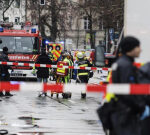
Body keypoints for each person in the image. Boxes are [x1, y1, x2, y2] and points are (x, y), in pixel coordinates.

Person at [108, 36, 145, 135]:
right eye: (138, 47)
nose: (140, 50)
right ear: (131, 48)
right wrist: (140, 107)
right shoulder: (126, 66)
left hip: (120, 112)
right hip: (126, 114)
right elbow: (128, 91)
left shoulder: (120, 63)